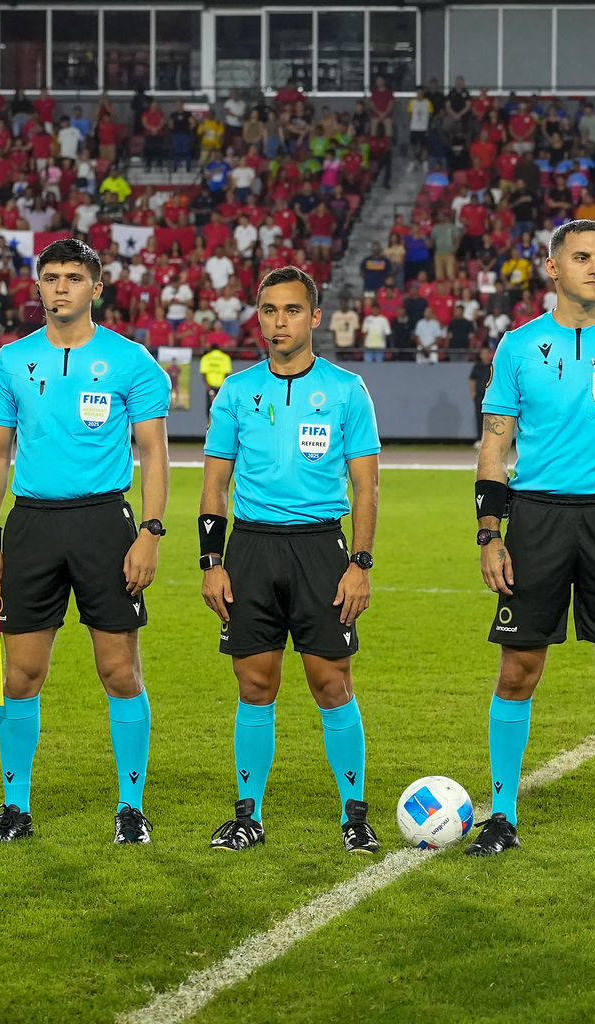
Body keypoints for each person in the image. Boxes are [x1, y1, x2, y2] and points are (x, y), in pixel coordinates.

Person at [468, 219, 595, 858]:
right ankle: (502, 816)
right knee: (518, 669)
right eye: (582, 257)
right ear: (552, 268)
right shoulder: (519, 347)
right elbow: (496, 443)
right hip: (534, 521)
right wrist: (488, 532)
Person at [0, 238, 171, 845]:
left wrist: (149, 531)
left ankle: (131, 809)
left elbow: (155, 453)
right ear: (38, 286)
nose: (60, 287)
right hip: (32, 524)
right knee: (21, 675)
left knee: (119, 670)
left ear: (96, 287)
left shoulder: (132, 362)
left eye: (73, 277)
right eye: (51, 277)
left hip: (104, 524)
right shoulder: (11, 361)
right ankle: (15, 810)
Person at [199, 266, 382, 855]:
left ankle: (354, 815)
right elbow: (214, 485)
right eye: (270, 311)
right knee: (255, 685)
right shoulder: (235, 391)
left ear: (315, 317)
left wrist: (360, 562)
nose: (279, 322)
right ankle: (247, 815)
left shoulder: (347, 390)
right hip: (249, 548)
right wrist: (211, 561)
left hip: (319, 548)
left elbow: (366, 488)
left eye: (292, 311)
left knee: (331, 682)